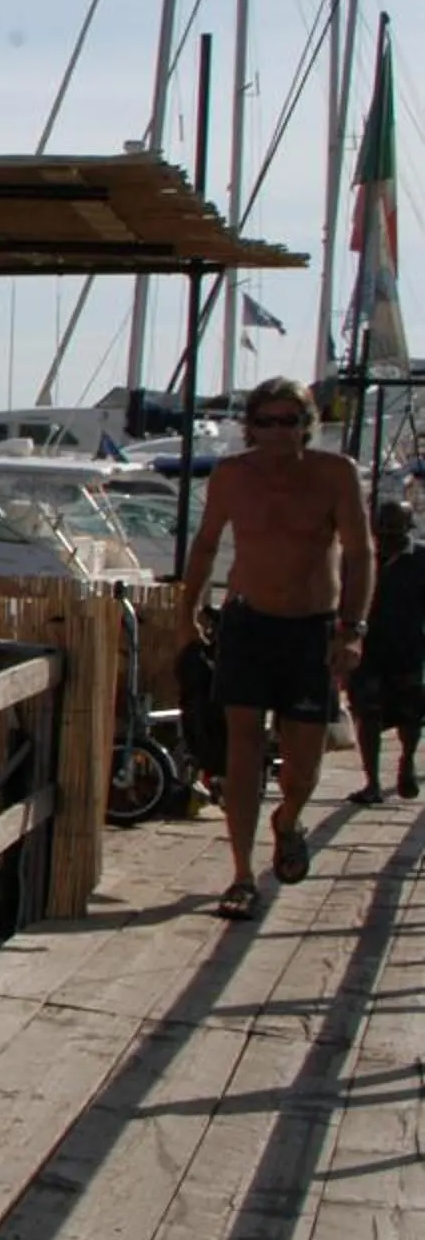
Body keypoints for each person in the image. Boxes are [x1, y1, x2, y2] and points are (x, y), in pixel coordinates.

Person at [178, 376, 375, 920]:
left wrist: (353, 629)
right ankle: (242, 875)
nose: (277, 432)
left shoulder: (334, 474)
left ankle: (287, 820)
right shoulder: (233, 475)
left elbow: (360, 553)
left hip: (312, 628)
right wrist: (187, 609)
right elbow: (206, 543)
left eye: (289, 421)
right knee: (242, 751)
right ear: (251, 427)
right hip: (248, 623)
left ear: (307, 425)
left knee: (303, 765)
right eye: (266, 422)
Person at [349, 499, 425, 804]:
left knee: (410, 715)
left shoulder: (420, 559)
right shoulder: (363, 558)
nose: (388, 536)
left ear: (408, 528)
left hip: (408, 649)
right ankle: (373, 782)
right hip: (368, 650)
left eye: (395, 529)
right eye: (383, 529)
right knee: (367, 714)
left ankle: (407, 760)